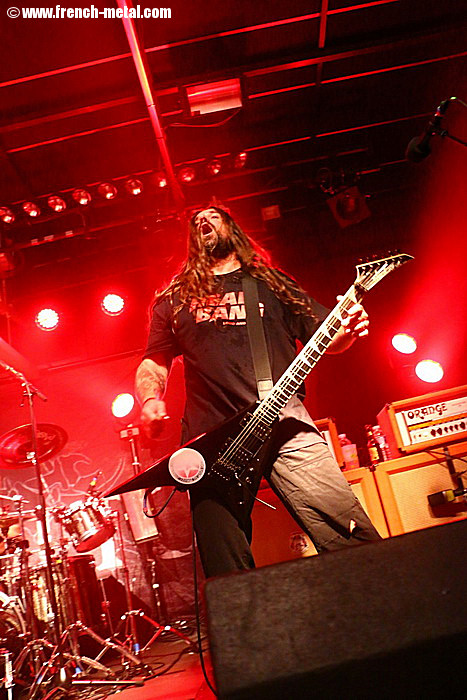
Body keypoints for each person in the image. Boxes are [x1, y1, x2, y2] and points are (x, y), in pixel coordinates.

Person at [136, 206, 381, 577]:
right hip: (212, 435)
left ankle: (384, 595)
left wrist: (347, 331)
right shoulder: (175, 298)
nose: (203, 221)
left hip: (284, 419)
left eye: (213, 216)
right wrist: (150, 399)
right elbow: (154, 361)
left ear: (232, 229)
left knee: (347, 530)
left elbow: (326, 337)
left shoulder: (272, 283)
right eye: (197, 220)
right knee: (224, 560)